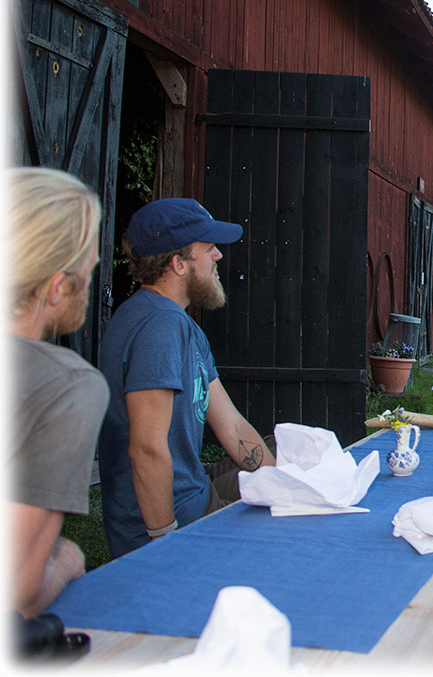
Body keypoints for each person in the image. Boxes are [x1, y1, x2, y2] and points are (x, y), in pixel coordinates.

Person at [97, 198, 275, 557]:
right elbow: (146, 449)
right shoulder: (159, 328)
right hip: (176, 522)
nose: (219, 257)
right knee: (296, 544)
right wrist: (167, 545)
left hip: (196, 491)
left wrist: (283, 483)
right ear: (178, 264)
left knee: (289, 452)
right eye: (208, 249)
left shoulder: (178, 324)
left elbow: (232, 426)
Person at [6, 167, 109, 617]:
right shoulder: (66, 387)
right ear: (55, 287)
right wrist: (68, 557)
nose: (96, 269)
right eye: (88, 263)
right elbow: (17, 589)